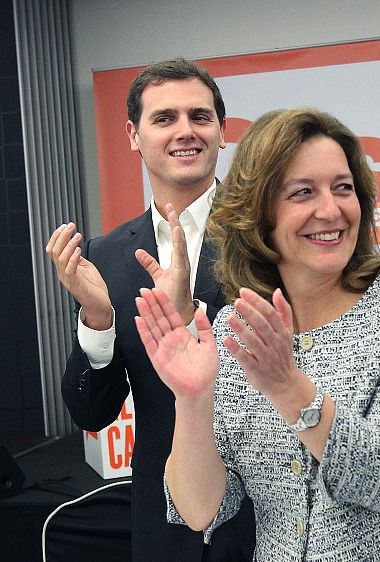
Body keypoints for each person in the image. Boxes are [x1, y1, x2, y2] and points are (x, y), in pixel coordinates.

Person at [133, 108, 380, 561]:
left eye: (343, 188)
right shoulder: (240, 325)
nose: (330, 211)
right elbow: (201, 511)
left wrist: (287, 386)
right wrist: (192, 400)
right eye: (302, 192)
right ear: (259, 213)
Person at [46, 58, 254, 561]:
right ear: (134, 135)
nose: (186, 131)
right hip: (164, 529)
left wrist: (191, 316)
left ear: (222, 132)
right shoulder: (105, 256)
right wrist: (99, 321)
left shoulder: (268, 236)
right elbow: (92, 413)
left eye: (200, 117)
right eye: (164, 118)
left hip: (267, 520)